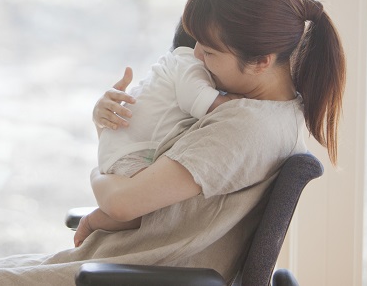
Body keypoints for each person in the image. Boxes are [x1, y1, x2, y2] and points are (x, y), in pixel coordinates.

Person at [0, 0, 345, 286]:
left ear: (260, 61)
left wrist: (98, 174)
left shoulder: (243, 127)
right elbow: (157, 197)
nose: (195, 58)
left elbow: (123, 203)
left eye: (209, 51)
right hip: (121, 263)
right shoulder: (278, 115)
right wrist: (111, 123)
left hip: (129, 271)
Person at [74, 21, 242, 247]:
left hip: (123, 148)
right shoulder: (189, 64)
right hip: (130, 154)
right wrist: (236, 102)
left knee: (152, 204)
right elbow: (200, 100)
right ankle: (96, 221)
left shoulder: (175, 64)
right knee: (152, 210)